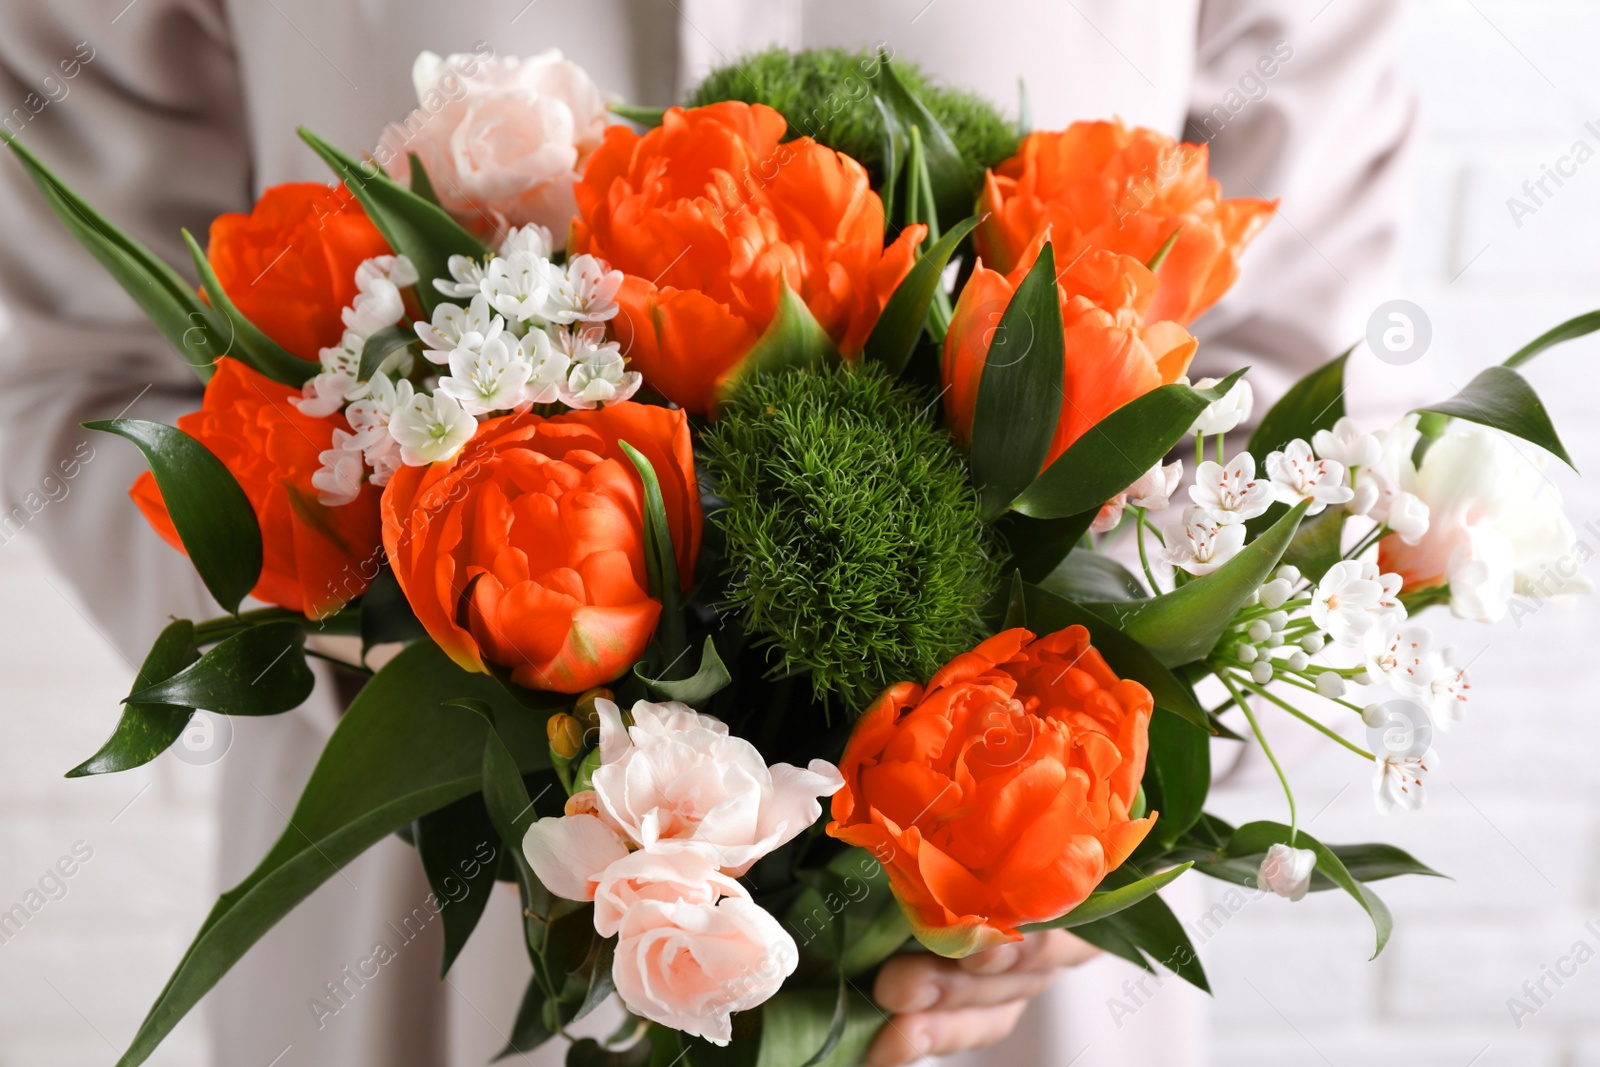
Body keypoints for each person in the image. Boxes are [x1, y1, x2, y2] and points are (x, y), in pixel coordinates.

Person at [0, 1, 1414, 1064]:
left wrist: (1059, 831)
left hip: (998, 998)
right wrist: (424, 674)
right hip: (407, 955)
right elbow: (78, 345)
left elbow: (1293, 371)